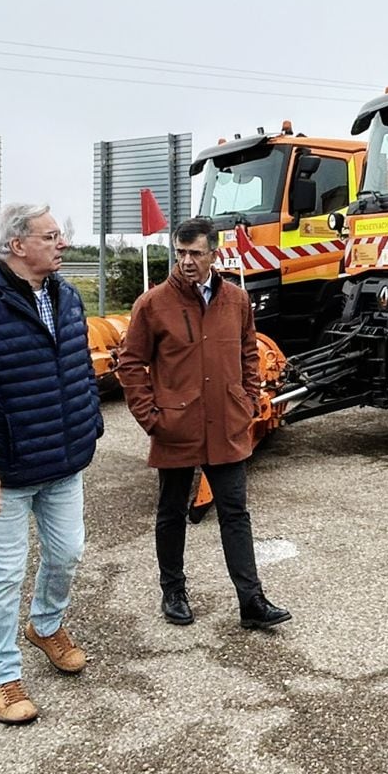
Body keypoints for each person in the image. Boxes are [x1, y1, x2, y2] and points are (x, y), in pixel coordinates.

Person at [0, 203, 102, 725]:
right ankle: (2, 677)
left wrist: (88, 425)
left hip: (63, 460)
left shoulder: (66, 294)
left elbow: (76, 370)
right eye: (51, 236)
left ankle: (46, 625)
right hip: (5, 471)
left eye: (60, 235)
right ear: (15, 245)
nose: (62, 243)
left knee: (69, 552)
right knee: (5, 575)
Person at [116, 217, 292, 631]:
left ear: (215, 252)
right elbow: (130, 363)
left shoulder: (236, 300)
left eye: (195, 253)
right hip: (175, 426)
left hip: (227, 424)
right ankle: (173, 592)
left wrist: (248, 399)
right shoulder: (154, 304)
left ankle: (251, 600)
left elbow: (249, 352)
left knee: (236, 512)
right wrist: (151, 418)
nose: (186, 262)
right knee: (171, 512)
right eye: (180, 253)